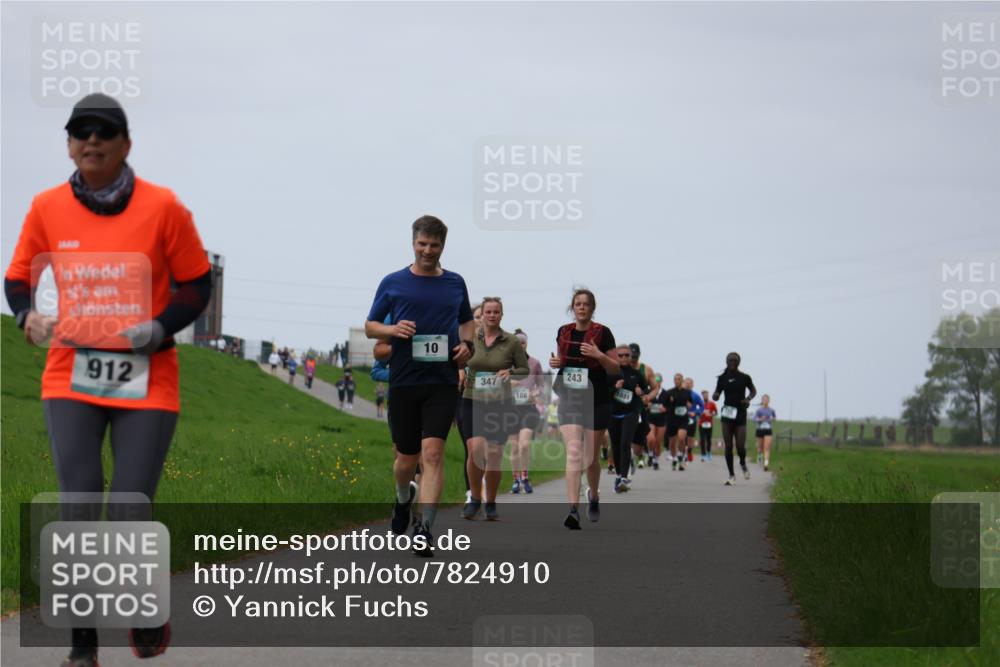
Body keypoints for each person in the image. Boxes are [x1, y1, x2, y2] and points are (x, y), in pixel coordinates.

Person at [4, 93, 212, 667]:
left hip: (147, 375)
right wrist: (26, 315)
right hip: (71, 373)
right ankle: (82, 646)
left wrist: (159, 328)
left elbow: (197, 284)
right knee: (78, 506)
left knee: (128, 506)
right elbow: (18, 277)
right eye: (80, 131)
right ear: (69, 145)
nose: (91, 140)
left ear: (126, 144)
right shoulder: (46, 207)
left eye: (104, 131)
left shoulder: (163, 207)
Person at [365, 215, 474, 556]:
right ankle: (402, 498)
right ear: (413, 243)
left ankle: (425, 527)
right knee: (405, 459)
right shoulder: (393, 282)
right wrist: (392, 330)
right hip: (404, 381)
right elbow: (370, 326)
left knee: (433, 454)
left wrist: (467, 346)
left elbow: (467, 322)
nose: (428, 250)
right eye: (422, 244)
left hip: (442, 381)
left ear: (443, 246)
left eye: (434, 245)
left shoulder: (455, 282)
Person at [550, 288, 619, 529]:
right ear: (572, 307)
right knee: (574, 453)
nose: (581, 307)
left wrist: (599, 355)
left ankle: (594, 495)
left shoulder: (603, 333)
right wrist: (556, 362)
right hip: (570, 398)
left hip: (596, 399)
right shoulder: (563, 331)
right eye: (578, 303)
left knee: (590, 458)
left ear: (592, 308)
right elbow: (563, 361)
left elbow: (615, 368)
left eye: (586, 304)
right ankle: (573, 510)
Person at [460, 298, 529, 521]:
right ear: (481, 315)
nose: (491, 315)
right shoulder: (470, 338)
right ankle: (475, 498)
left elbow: (524, 370)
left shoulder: (511, 341)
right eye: (488, 311)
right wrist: (460, 370)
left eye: (496, 312)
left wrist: (510, 372)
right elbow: (458, 359)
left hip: (500, 403)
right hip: (472, 400)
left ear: (501, 315)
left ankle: (490, 502)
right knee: (475, 450)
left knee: (494, 454)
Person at [607, 346, 649, 493]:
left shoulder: (636, 374)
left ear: (631, 357)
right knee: (616, 445)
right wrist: (615, 388)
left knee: (625, 443)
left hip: (631, 413)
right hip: (613, 414)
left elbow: (646, 388)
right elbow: (603, 393)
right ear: (616, 357)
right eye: (621, 355)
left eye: (627, 355)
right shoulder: (610, 373)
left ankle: (624, 478)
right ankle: (619, 475)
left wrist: (641, 391)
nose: (624, 358)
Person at [713, 352, 757, 485]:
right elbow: (717, 391)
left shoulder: (744, 377)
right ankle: (731, 475)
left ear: (739, 362)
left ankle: (742, 462)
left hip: (740, 414)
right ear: (726, 362)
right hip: (727, 413)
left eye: (735, 360)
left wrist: (748, 399)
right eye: (730, 360)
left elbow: (753, 391)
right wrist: (716, 395)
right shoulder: (722, 378)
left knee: (740, 446)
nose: (732, 362)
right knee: (728, 446)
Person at [508, 328, 543, 494]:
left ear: (526, 344)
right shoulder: (505, 364)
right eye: (517, 343)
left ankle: (525, 477)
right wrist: (508, 384)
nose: (520, 345)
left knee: (524, 445)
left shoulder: (535, 363)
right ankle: (516, 480)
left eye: (523, 343)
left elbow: (541, 385)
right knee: (514, 447)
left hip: (528, 408)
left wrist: (535, 393)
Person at [663, 373, 693, 471]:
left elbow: (690, 403)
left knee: (681, 437)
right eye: (675, 379)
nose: (677, 381)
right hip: (672, 419)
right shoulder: (669, 392)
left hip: (683, 419)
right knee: (672, 443)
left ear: (682, 380)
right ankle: (675, 458)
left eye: (679, 379)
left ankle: (681, 455)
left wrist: (689, 405)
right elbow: (664, 405)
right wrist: (669, 403)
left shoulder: (687, 392)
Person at [646, 374, 668, 468]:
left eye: (658, 380)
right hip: (650, 419)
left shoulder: (666, 393)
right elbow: (642, 403)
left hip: (661, 420)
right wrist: (647, 405)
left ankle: (656, 460)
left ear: (661, 381)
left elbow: (670, 406)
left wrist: (665, 408)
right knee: (651, 439)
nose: (656, 381)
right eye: (655, 380)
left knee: (658, 442)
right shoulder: (648, 392)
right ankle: (650, 453)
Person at [683, 377, 704, 463]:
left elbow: (702, 406)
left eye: (689, 383)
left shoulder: (696, 395)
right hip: (682, 418)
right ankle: (683, 454)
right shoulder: (680, 394)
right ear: (684, 383)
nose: (688, 385)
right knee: (682, 436)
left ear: (692, 385)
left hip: (692, 419)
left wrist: (695, 412)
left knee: (690, 438)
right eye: (686, 383)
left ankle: (689, 451)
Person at [754, 394, 777, 471]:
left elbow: (774, 418)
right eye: (764, 399)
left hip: (768, 429)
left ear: (769, 401)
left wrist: (772, 419)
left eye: (767, 400)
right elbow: (754, 419)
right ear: (762, 401)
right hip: (760, 429)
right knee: (760, 448)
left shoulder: (771, 410)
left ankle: (766, 463)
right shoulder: (759, 410)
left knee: (767, 447)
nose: (766, 401)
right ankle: (760, 456)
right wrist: (760, 419)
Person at [699, 389, 717, 461]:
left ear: (708, 395)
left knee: (708, 439)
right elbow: (697, 412)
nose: (705, 396)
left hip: (709, 424)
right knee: (702, 439)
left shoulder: (712, 404)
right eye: (704, 395)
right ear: (702, 396)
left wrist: (711, 414)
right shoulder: (700, 403)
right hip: (701, 423)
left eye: (706, 395)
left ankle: (708, 453)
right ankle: (703, 454)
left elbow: (716, 412)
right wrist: (701, 413)